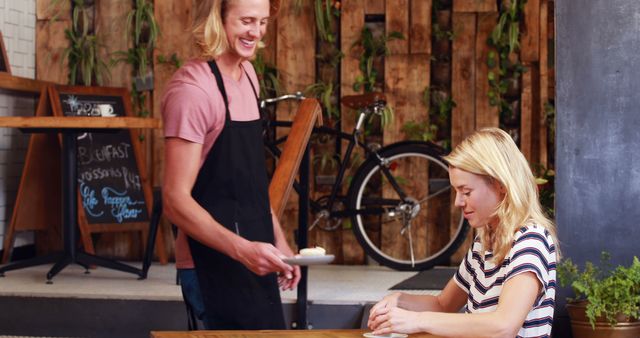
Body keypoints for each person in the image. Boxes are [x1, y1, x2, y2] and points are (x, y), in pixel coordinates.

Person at [161, 0, 300, 330]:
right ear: (217, 19)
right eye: (247, 21)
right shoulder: (192, 91)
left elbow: (248, 181)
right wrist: (243, 251)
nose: (257, 32)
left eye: (263, 22)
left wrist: (278, 241)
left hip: (255, 253)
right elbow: (175, 201)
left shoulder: (248, 74)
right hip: (211, 262)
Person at [368, 128, 560, 338]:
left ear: (501, 186)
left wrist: (416, 320)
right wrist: (399, 300)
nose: (458, 202)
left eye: (466, 192)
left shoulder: (530, 240)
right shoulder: (484, 243)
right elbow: (443, 305)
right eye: (456, 191)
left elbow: (503, 326)